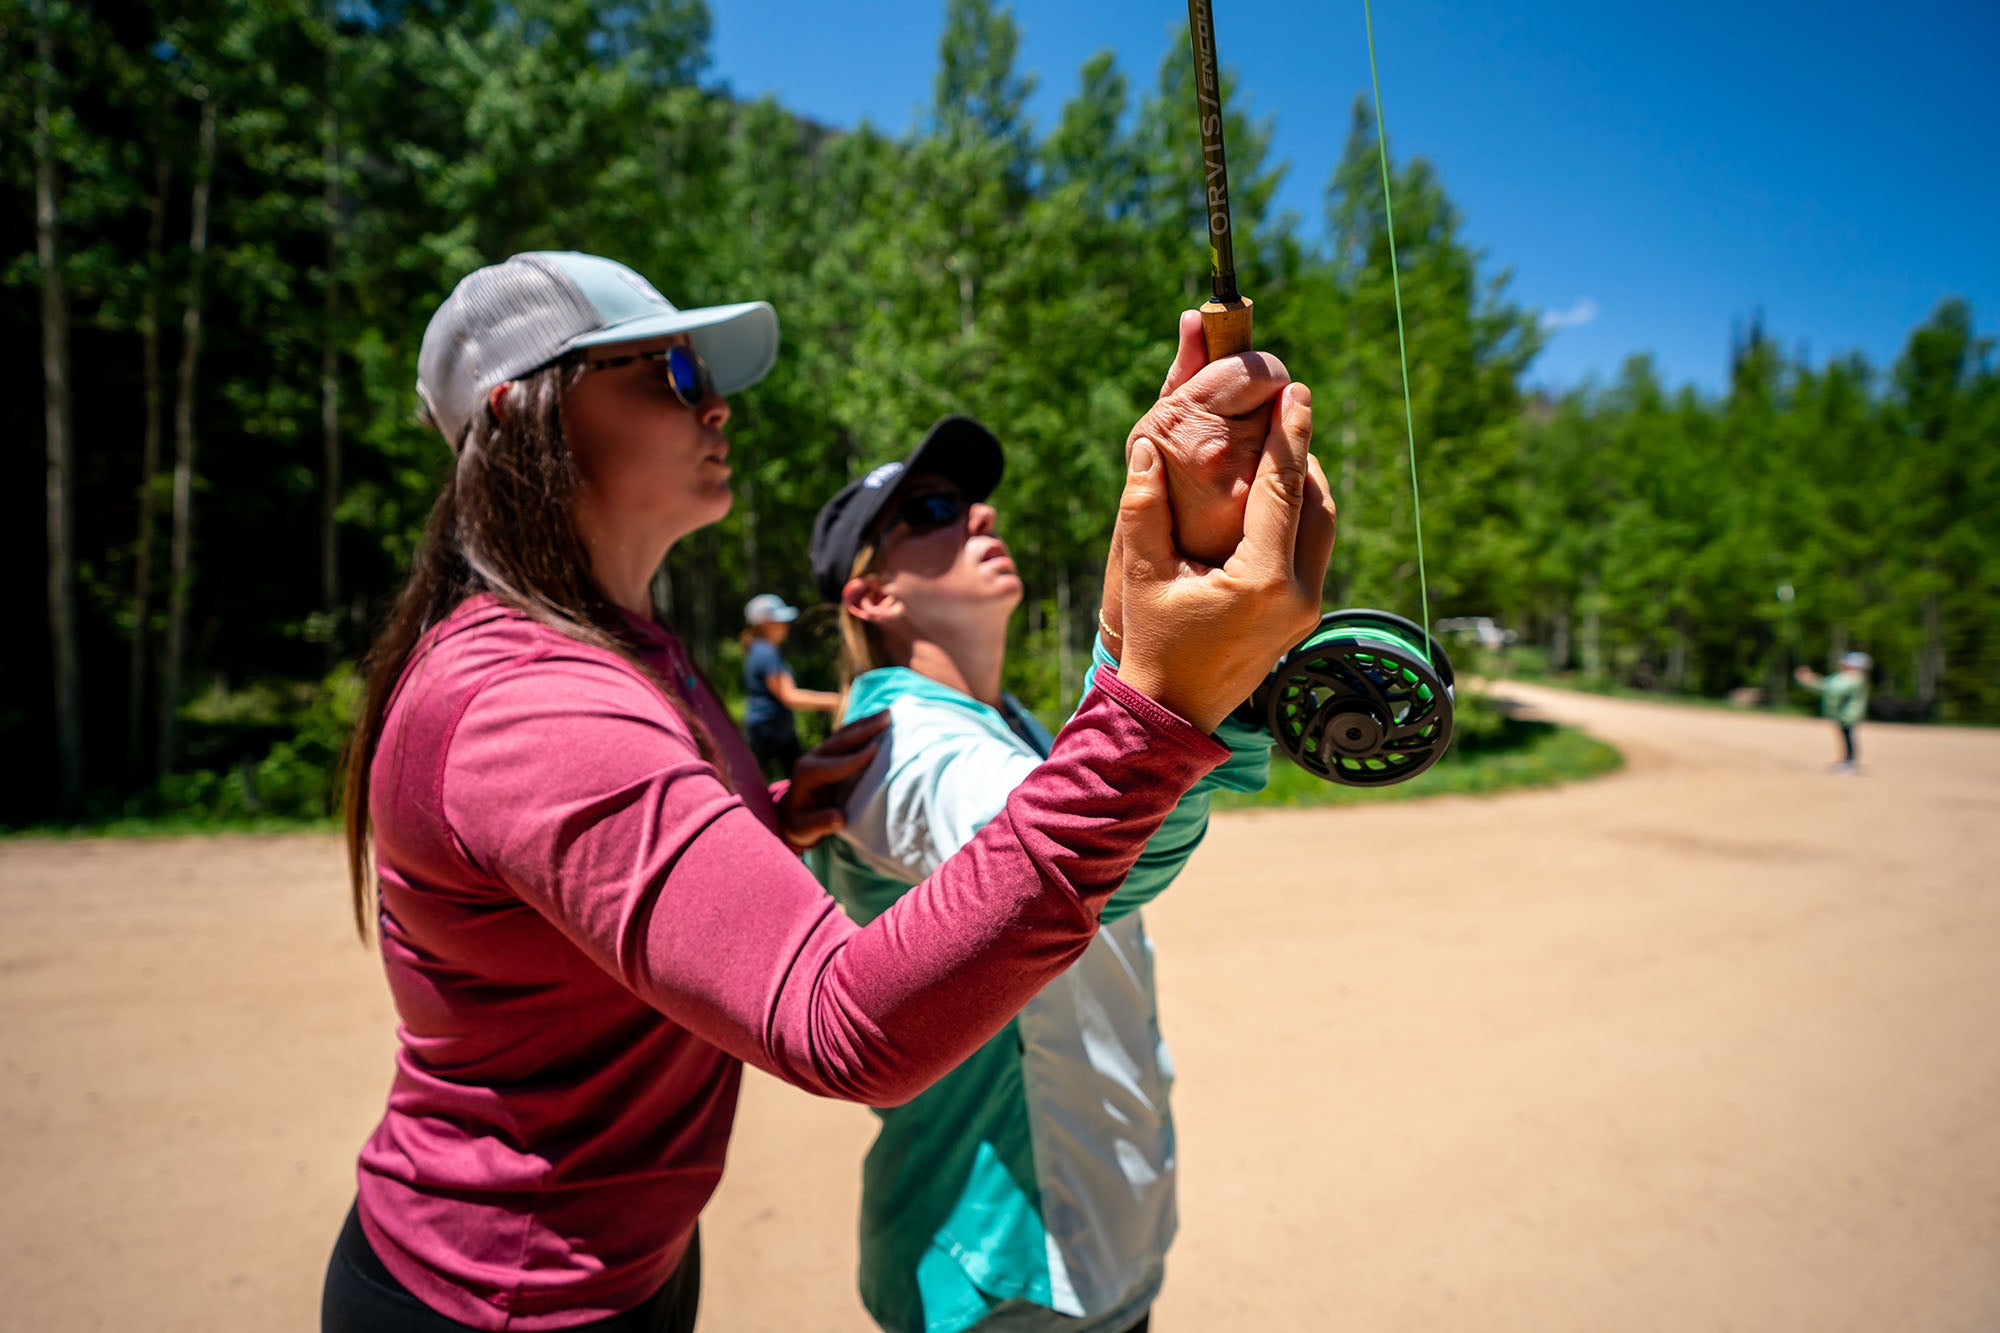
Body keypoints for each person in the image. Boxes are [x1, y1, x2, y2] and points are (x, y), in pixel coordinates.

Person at [320, 250, 1332, 1333]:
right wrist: (1151, 706)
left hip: (621, 1262)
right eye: (666, 373)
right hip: (498, 1298)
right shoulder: (532, 705)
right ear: (525, 415)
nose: (715, 403)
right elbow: (836, 1021)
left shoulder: (630, 652)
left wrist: (763, 823)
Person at [808, 373, 1283, 1333]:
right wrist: (1194, 668)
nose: (980, 514)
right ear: (871, 593)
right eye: (932, 512)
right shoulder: (897, 745)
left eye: (975, 499)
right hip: (1004, 1276)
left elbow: (1091, 801)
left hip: (1094, 1254)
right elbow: (1077, 865)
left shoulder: (1001, 724)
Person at [739, 592, 838, 779]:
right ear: (766, 623)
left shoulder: (760, 650)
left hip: (772, 730)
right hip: (768, 733)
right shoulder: (766, 654)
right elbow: (790, 696)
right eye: (780, 621)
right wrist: (837, 701)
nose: (786, 626)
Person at [1795, 651, 1872, 773]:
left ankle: (1850, 761)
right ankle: (1847, 760)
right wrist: (1809, 680)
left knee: (1848, 736)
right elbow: (1828, 685)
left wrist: (1811, 679)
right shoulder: (1847, 677)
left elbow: (1833, 688)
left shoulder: (1854, 678)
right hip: (1844, 715)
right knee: (1846, 736)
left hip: (1849, 715)